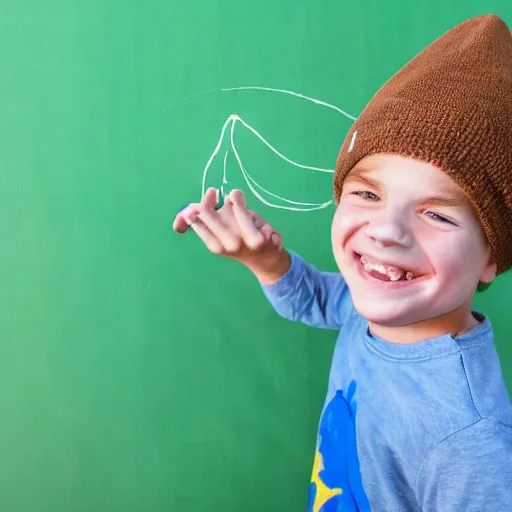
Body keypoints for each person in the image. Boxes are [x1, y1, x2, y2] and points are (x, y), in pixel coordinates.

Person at [173, 13, 512, 511]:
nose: (386, 231)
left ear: (492, 256)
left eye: (437, 213)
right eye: (367, 193)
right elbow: (315, 300)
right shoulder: (371, 302)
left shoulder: (471, 441)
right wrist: (267, 260)